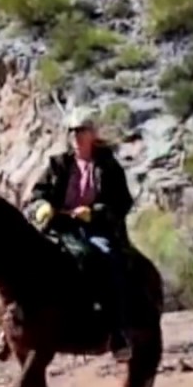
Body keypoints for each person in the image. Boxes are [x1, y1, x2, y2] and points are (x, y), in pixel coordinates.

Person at [26, 105, 137, 362]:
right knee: (25, 258)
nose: (75, 136)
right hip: (58, 226)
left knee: (108, 259)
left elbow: (122, 202)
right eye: (72, 131)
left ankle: (117, 330)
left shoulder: (108, 166)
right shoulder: (57, 164)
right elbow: (37, 194)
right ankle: (11, 325)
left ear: (92, 134)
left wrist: (95, 212)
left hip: (95, 228)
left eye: (81, 130)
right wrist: (41, 207)